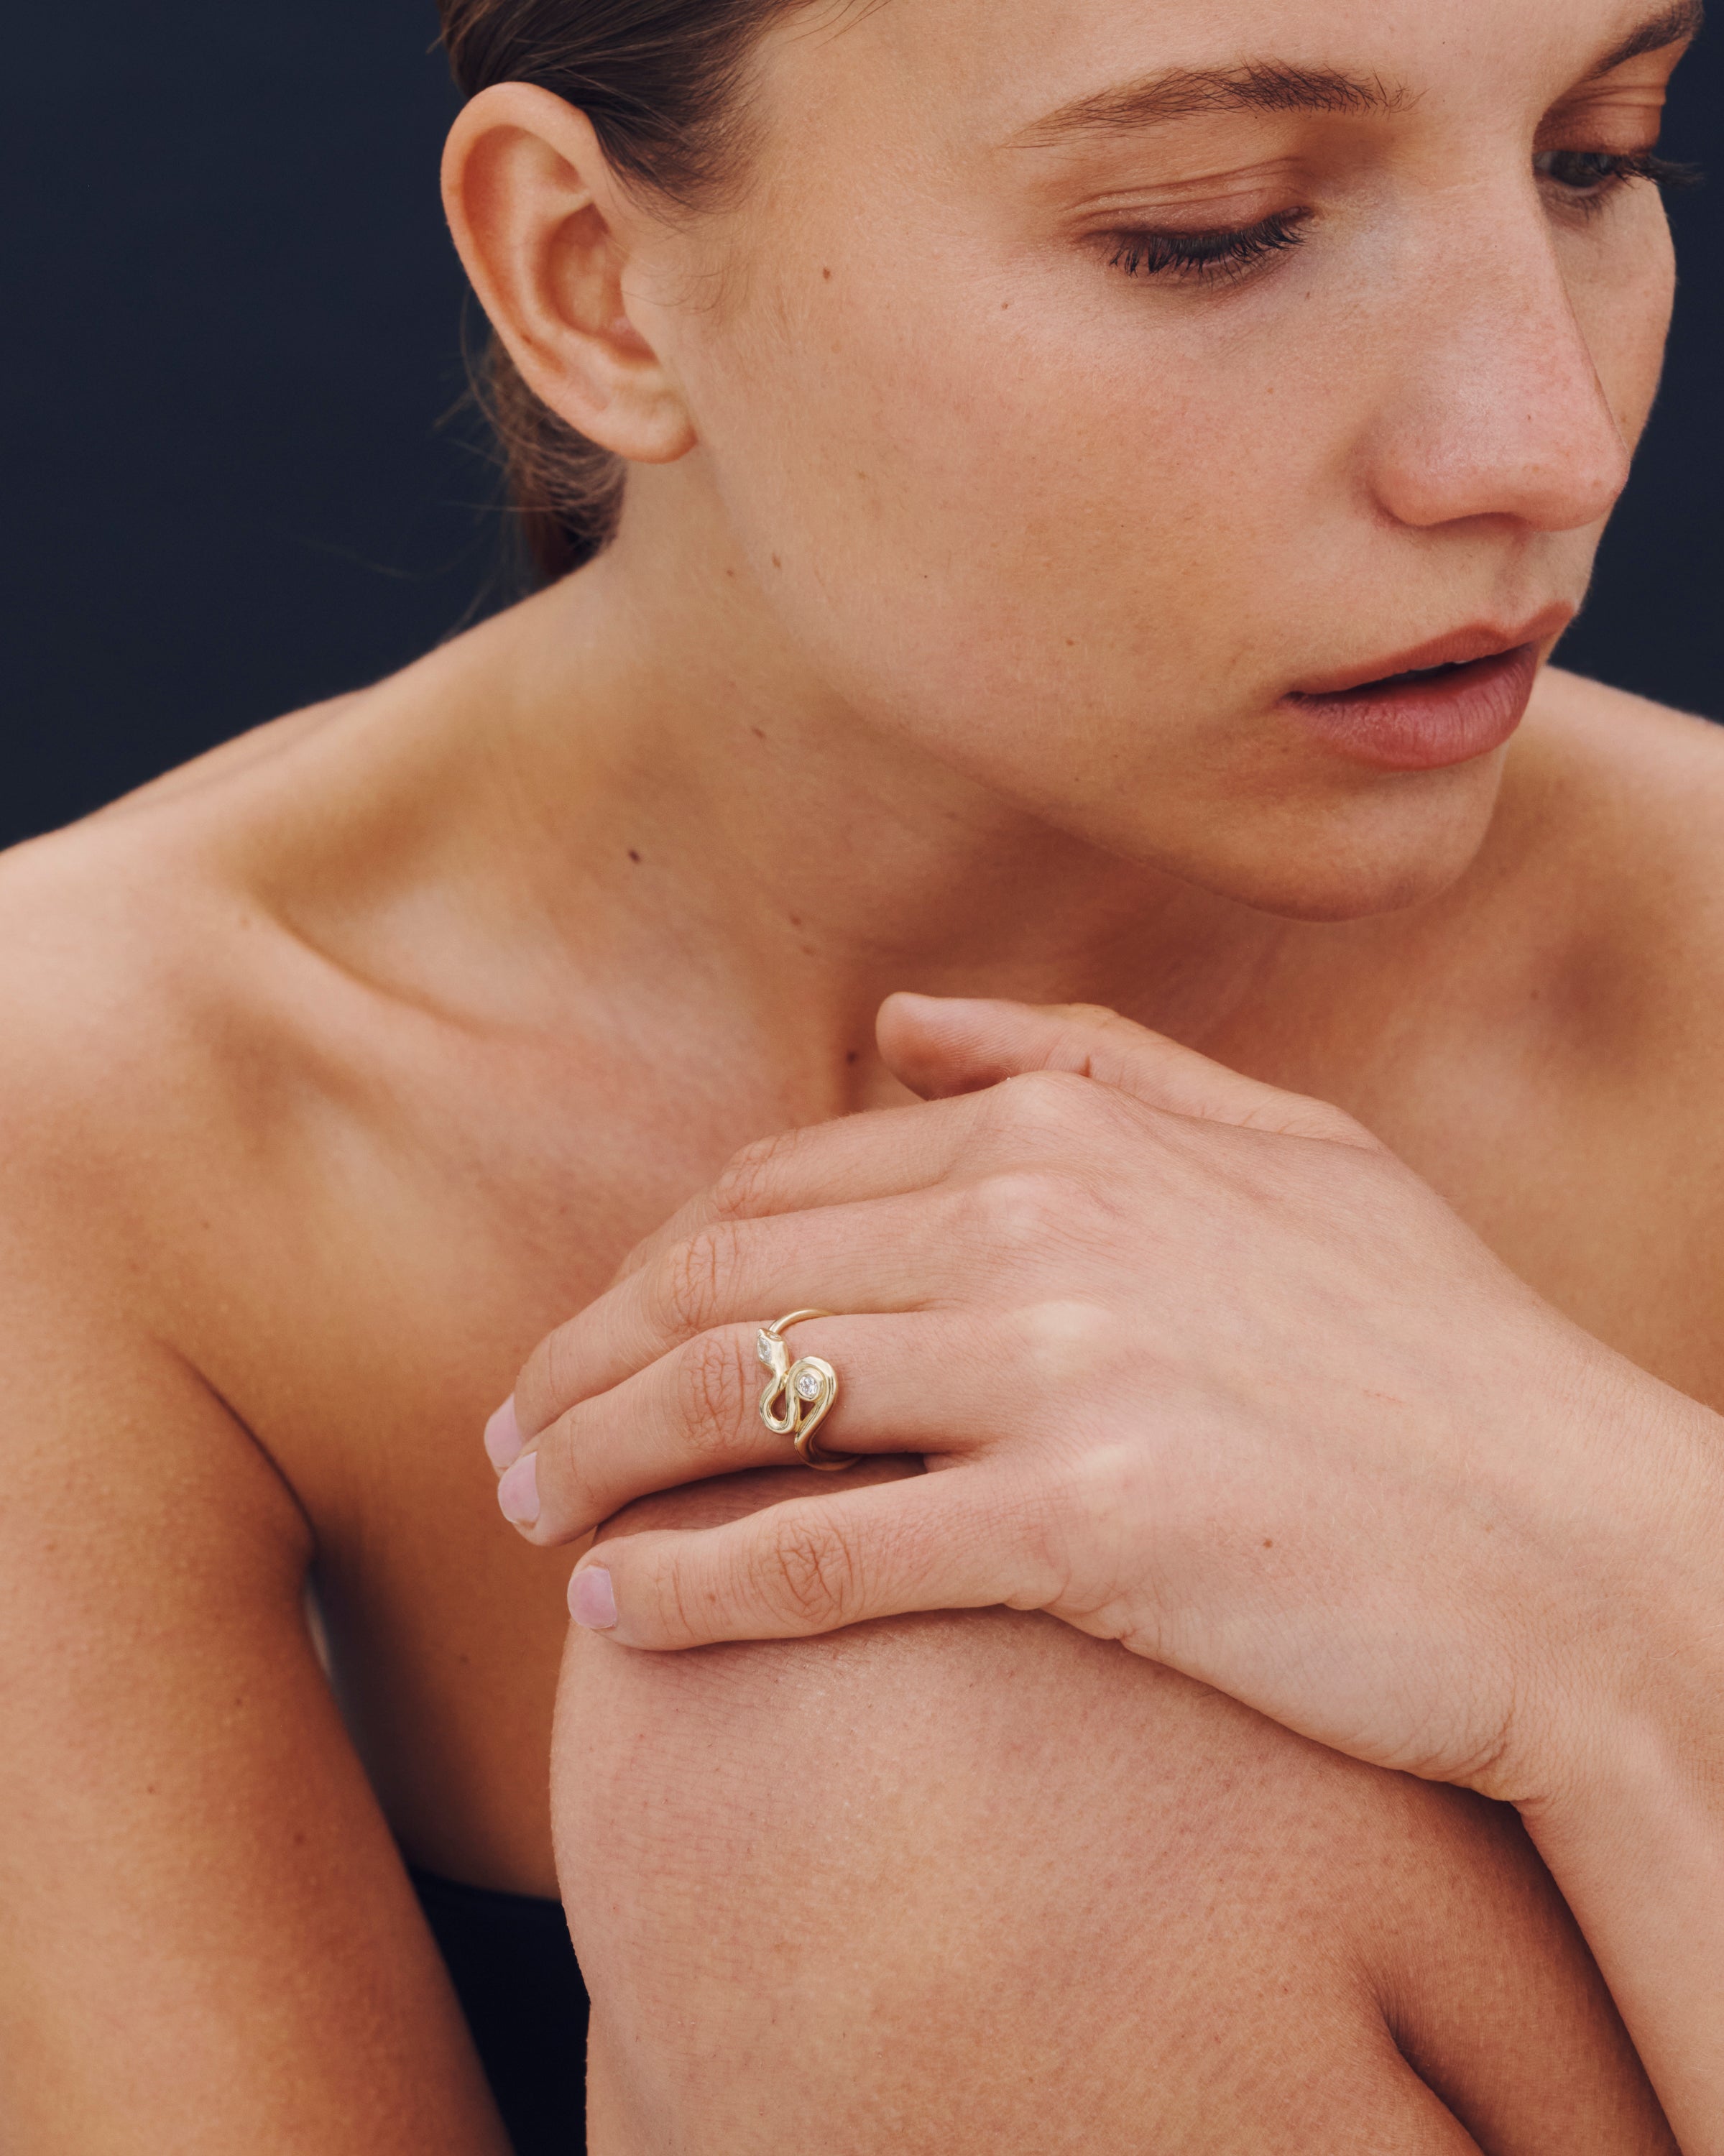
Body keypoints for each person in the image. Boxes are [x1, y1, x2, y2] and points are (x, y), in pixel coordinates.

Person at [0, 0, 1714, 2145]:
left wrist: (1638, 1595)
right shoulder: (87, 1126)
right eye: (1217, 228)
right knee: (879, 1771)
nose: (1546, 444)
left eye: (1595, 153)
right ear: (588, 279)